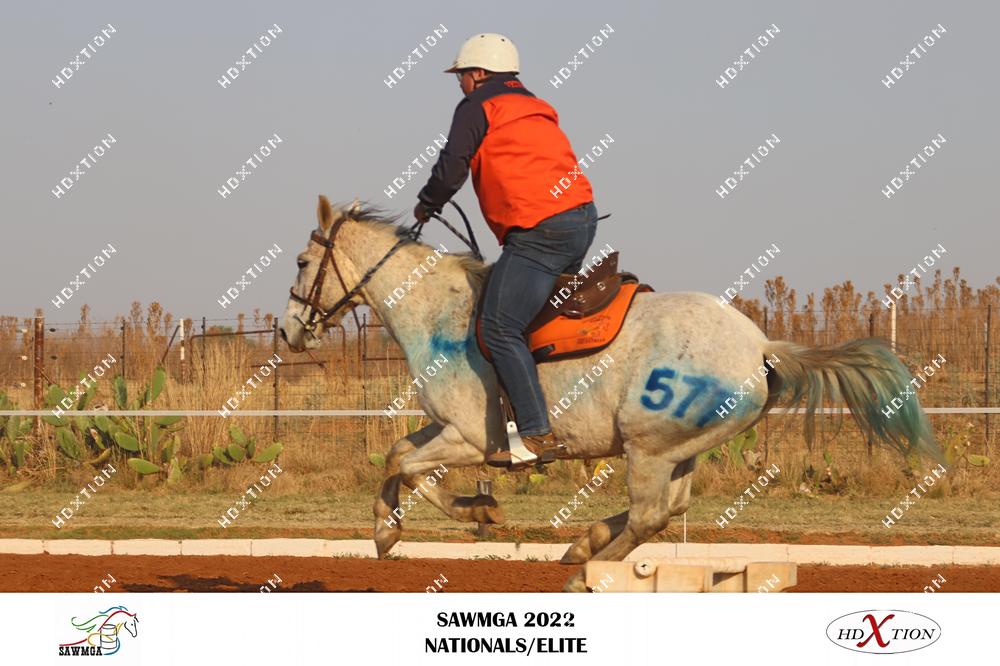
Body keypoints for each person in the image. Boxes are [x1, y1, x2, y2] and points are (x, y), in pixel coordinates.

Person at [414, 33, 598, 470]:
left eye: (461, 75)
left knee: (498, 327)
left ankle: (535, 434)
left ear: (478, 73)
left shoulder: (477, 106)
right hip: (582, 220)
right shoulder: (536, 106)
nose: (460, 84)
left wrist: (428, 202)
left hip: (540, 231)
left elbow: (452, 167)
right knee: (534, 325)